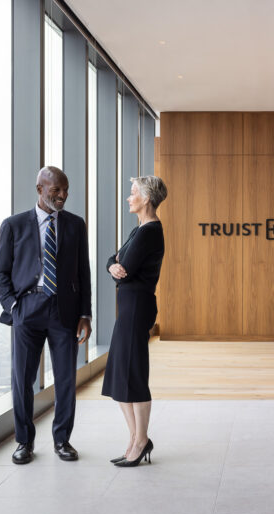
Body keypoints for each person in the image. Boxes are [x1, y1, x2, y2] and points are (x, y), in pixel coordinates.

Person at [0, 166, 92, 464]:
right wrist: (13, 306)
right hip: (28, 309)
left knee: (65, 380)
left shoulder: (76, 225)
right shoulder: (13, 225)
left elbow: (83, 273)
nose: (62, 195)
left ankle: (62, 440)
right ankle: (24, 442)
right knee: (22, 381)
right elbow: (1, 272)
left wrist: (85, 314)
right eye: (56, 190)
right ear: (40, 189)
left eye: (65, 190)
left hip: (64, 311)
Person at [102, 175, 166, 467]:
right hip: (128, 308)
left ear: (147, 198)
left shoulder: (150, 232)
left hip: (137, 307)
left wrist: (116, 264)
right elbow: (112, 261)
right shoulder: (138, 229)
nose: (129, 198)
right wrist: (112, 264)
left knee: (134, 374)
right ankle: (136, 437)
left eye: (133, 193)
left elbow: (123, 265)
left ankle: (140, 441)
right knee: (119, 375)